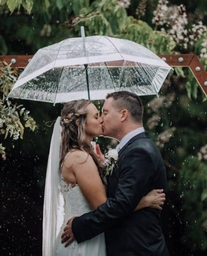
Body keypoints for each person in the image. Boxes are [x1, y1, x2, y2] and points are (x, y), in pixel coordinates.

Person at [43, 99, 166, 256]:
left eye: (103, 113)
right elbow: (104, 207)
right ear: (79, 124)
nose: (101, 119)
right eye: (96, 116)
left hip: (92, 237)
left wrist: (101, 168)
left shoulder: (83, 156)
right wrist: (143, 202)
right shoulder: (81, 159)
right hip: (84, 243)